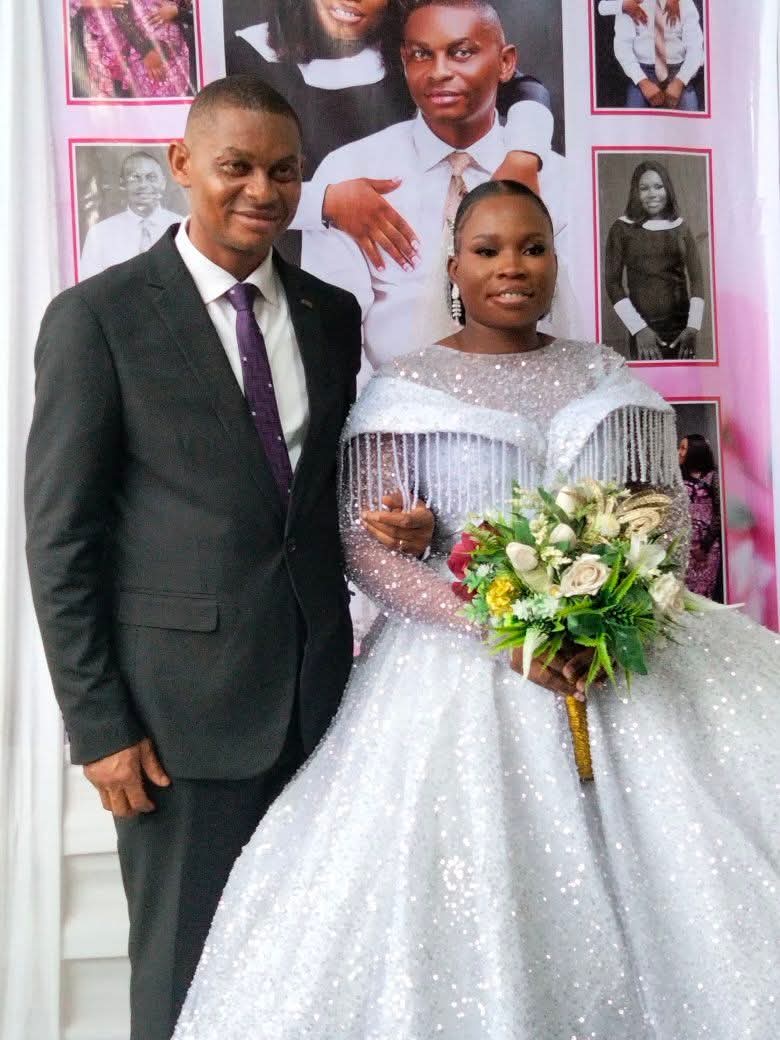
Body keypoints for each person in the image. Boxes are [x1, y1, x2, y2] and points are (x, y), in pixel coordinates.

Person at [173, 181, 780, 1039]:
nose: (511, 267)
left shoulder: (607, 374)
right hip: (455, 672)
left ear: (556, 262)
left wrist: (615, 619)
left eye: (532, 248)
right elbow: (363, 547)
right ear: (454, 267)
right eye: (488, 250)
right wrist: (504, 630)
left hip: (620, 666)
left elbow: (667, 521)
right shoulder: (405, 386)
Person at [25, 74, 431, 1040]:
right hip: (177, 726)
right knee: (184, 980)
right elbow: (60, 538)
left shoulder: (332, 314)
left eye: (283, 171)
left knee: (310, 976)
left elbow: (312, 495)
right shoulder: (98, 318)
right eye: (236, 167)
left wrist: (400, 527)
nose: (262, 190)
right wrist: (100, 727)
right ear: (182, 164)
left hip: (322, 706)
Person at [300, 0, 576, 377]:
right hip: (392, 404)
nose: (439, 72)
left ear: (506, 62)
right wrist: (383, 411)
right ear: (403, 61)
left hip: (529, 395)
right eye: (421, 55)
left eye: (461, 53)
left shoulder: (555, 177)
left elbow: (565, 321)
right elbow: (334, 339)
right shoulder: (350, 171)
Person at [227, 0, 555, 271]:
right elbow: (225, 185)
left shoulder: (417, 50)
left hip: (407, 257)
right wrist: (326, 202)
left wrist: (524, 154)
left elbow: (523, 88)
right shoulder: (246, 56)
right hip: (284, 255)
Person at [604, 158, 705, 361]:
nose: (652, 194)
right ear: (635, 192)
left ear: (668, 189)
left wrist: (693, 327)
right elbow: (612, 283)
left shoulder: (681, 227)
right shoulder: (622, 228)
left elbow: (697, 280)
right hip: (644, 332)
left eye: (658, 187)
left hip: (683, 333)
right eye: (644, 188)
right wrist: (639, 329)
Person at [79, 150, 185, 279]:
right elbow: (89, 286)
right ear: (122, 183)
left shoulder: (183, 228)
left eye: (151, 178)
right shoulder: (100, 234)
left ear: (163, 183)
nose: (143, 185)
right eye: (135, 178)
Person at [70, 0, 195, 99]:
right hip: (113, 44)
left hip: (170, 48)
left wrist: (178, 12)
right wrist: (145, 51)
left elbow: (195, 11)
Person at [607, 0, 704, 110]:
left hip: (678, 71)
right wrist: (642, 82)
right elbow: (623, 48)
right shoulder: (630, 4)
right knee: (634, 116)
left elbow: (695, 48)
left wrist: (680, 81)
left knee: (690, 115)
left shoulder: (685, 3)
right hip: (642, 71)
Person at [679, 432, 722, 599]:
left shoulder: (713, 477)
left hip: (707, 548)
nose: (679, 452)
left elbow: (719, 513)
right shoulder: (678, 476)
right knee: (683, 595)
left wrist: (703, 546)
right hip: (683, 545)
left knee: (703, 596)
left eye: (683, 448)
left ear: (695, 451)